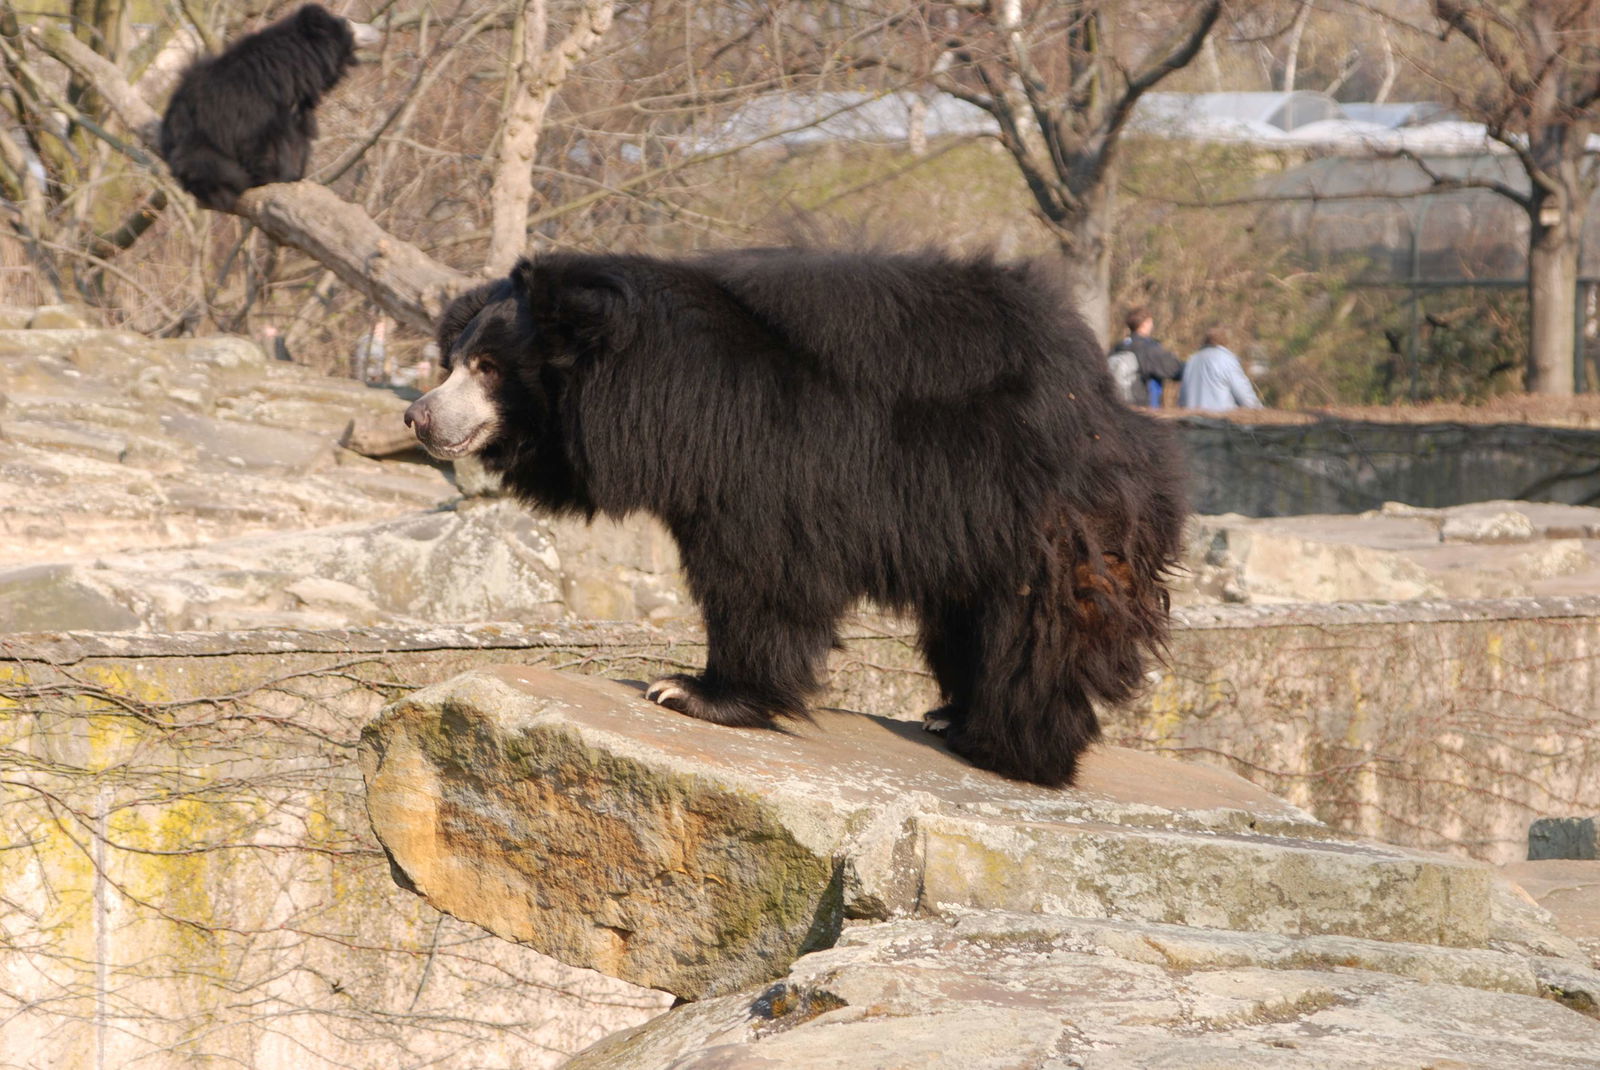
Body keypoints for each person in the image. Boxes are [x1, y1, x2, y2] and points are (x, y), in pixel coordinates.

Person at [1108, 307, 1183, 407]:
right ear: (1145, 323)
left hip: (1117, 406)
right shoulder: (1148, 348)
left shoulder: (1117, 348)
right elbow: (1175, 370)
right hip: (1143, 408)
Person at [1178, 326, 1263, 411]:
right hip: (1220, 416)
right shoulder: (1226, 359)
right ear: (1226, 341)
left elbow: (1182, 398)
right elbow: (1244, 395)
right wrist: (1259, 411)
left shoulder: (1192, 360)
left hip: (1191, 416)